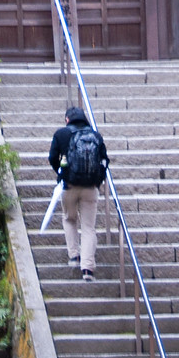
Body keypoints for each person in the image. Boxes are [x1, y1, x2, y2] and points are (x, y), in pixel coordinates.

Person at [48, 106, 109, 281]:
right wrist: (98, 181)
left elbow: (52, 158)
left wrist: (61, 172)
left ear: (67, 119)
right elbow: (105, 160)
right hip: (91, 188)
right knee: (89, 227)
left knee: (69, 219)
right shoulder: (95, 136)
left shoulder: (61, 134)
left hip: (69, 186)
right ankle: (88, 269)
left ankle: (74, 256)